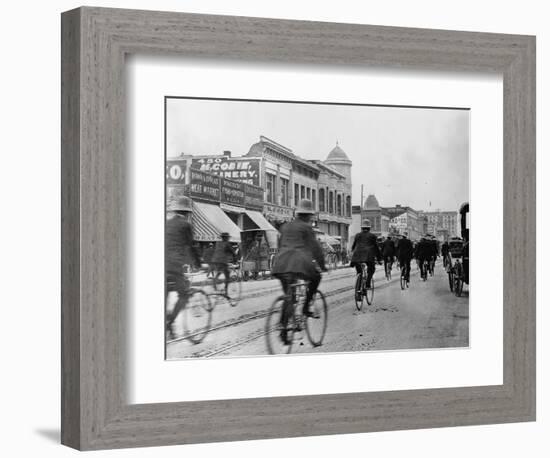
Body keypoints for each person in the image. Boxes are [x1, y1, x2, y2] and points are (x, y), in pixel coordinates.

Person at [272, 199, 326, 345]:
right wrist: (322, 265)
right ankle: (306, 307)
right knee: (316, 277)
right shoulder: (307, 228)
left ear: (298, 213)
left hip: (281, 265)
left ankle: (284, 327)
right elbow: (315, 249)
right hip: (299, 264)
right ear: (309, 215)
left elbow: (280, 244)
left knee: (289, 296)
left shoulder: (285, 227)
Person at [165, 196, 201, 337]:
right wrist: (197, 263)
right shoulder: (186, 225)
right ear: (187, 212)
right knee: (184, 295)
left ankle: (167, 323)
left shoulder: (166, 223)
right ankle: (170, 322)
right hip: (174, 266)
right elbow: (191, 246)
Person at [350, 219, 382, 299]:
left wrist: (352, 254)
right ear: (369, 228)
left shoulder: (357, 235)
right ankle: (367, 283)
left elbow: (353, 246)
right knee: (371, 269)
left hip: (357, 256)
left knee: (359, 272)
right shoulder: (372, 236)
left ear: (362, 227)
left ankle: (358, 291)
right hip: (368, 256)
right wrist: (379, 259)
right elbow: (376, 248)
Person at [211, 232, 237, 304]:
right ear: (226, 238)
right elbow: (233, 252)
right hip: (222, 261)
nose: (228, 238)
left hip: (215, 260)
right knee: (227, 275)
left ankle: (214, 285)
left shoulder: (217, 243)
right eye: (227, 237)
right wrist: (235, 258)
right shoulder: (227, 244)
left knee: (219, 272)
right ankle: (225, 292)